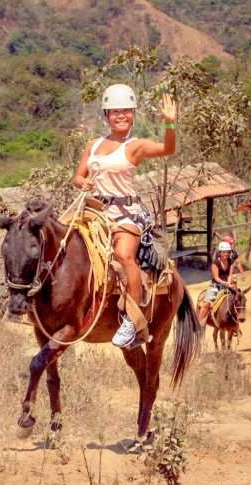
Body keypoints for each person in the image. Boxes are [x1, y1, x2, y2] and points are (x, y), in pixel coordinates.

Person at [73, 83, 178, 349]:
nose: (121, 116)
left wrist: (169, 124)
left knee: (124, 255)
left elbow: (168, 149)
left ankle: (132, 319)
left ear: (133, 114)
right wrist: (82, 182)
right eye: (115, 111)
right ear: (106, 115)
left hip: (125, 213)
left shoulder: (135, 146)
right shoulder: (93, 144)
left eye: (126, 111)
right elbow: (78, 175)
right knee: (60, 241)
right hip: (94, 211)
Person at [198, 241, 236, 324]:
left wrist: (229, 282)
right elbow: (216, 278)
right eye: (224, 252)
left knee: (239, 298)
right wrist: (225, 283)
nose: (226, 254)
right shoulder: (215, 263)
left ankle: (236, 322)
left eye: (228, 252)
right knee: (206, 304)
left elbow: (230, 275)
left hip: (228, 284)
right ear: (220, 253)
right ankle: (199, 323)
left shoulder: (231, 262)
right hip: (216, 286)